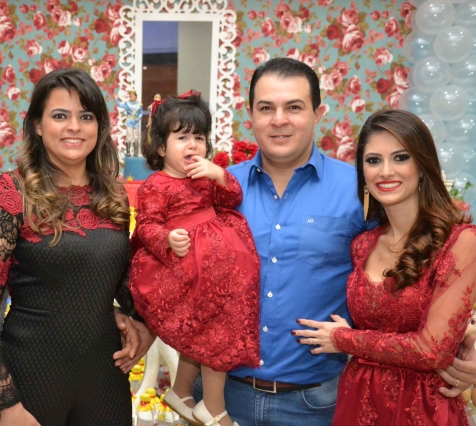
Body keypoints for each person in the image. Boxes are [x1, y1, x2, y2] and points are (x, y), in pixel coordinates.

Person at [209, 57, 476, 425]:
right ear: (250, 113)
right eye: (266, 108)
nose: (279, 119)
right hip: (222, 397)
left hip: (317, 405)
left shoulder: (360, 192)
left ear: (318, 113)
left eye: (294, 107)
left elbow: (421, 263)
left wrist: (467, 334)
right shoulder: (218, 190)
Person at [0, 68, 153, 426]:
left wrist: (143, 324)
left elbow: (125, 285)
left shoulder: (113, 197)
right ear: (37, 125)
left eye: (86, 116)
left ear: (99, 126)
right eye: (60, 116)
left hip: (105, 379)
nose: (74, 127)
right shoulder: (9, 193)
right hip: (28, 384)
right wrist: (7, 404)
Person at [293, 109, 476, 425]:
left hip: (423, 409)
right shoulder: (363, 244)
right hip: (357, 401)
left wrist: (344, 339)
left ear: (423, 166)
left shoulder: (461, 241)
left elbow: (431, 350)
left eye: (401, 158)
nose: (385, 171)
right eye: (373, 160)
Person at [129, 91, 261, 426]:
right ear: (161, 147)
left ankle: (181, 390)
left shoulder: (204, 177)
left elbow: (231, 199)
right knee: (215, 330)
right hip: (185, 267)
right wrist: (167, 239)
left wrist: (218, 175)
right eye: (182, 137)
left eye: (199, 138)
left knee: (206, 329)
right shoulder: (156, 185)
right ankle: (213, 407)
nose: (192, 145)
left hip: (214, 269)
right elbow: (146, 226)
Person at [116, 90, 143, 157]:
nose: (131, 97)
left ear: (135, 96)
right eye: (130, 96)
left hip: (136, 122)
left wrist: (139, 117)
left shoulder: (139, 105)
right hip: (129, 122)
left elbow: (141, 112)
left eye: (133, 96)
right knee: (129, 137)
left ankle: (136, 152)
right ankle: (128, 152)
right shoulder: (127, 104)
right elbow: (120, 105)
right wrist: (116, 99)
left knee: (136, 137)